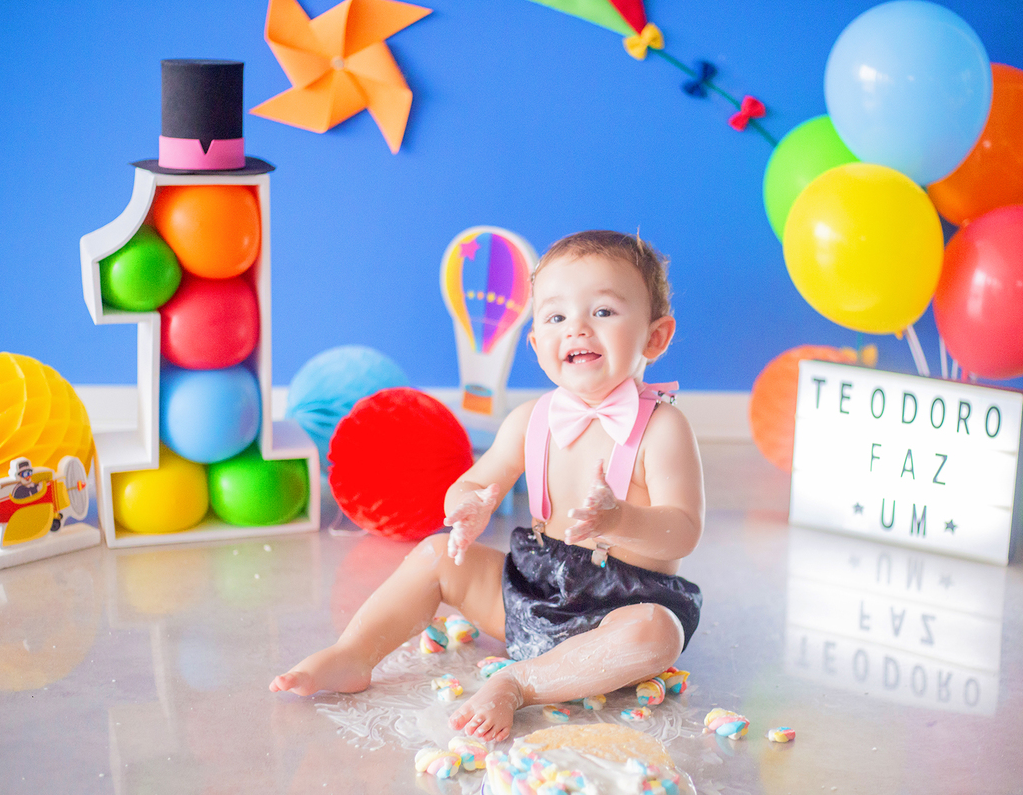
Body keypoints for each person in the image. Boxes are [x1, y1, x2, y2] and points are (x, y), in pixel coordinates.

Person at [270, 230, 705, 741]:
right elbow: (478, 479)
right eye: (557, 316)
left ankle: (520, 683)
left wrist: (621, 520)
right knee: (436, 555)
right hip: (531, 592)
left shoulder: (663, 428)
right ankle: (354, 653)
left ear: (656, 337)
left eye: (604, 312)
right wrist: (469, 503)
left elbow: (683, 531)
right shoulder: (530, 419)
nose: (578, 329)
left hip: (621, 606)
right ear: (538, 343)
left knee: (658, 633)